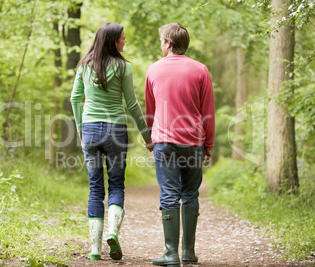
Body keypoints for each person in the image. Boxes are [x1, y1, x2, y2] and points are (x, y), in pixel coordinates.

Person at [70, 22, 152, 261]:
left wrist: (80, 130)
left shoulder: (84, 65)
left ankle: (95, 249)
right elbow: (132, 104)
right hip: (116, 131)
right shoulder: (123, 67)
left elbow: (75, 99)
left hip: (91, 131)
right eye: (122, 39)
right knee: (116, 185)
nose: (125, 42)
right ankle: (113, 233)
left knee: (95, 188)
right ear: (113, 42)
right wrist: (147, 135)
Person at [145, 23, 215, 266]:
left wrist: (150, 138)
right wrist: (209, 145)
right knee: (190, 193)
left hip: (164, 141)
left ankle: (171, 253)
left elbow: (150, 111)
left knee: (169, 194)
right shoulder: (201, 70)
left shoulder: (153, 70)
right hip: (193, 141)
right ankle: (188, 252)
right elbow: (208, 112)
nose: (160, 45)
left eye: (161, 41)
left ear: (168, 43)